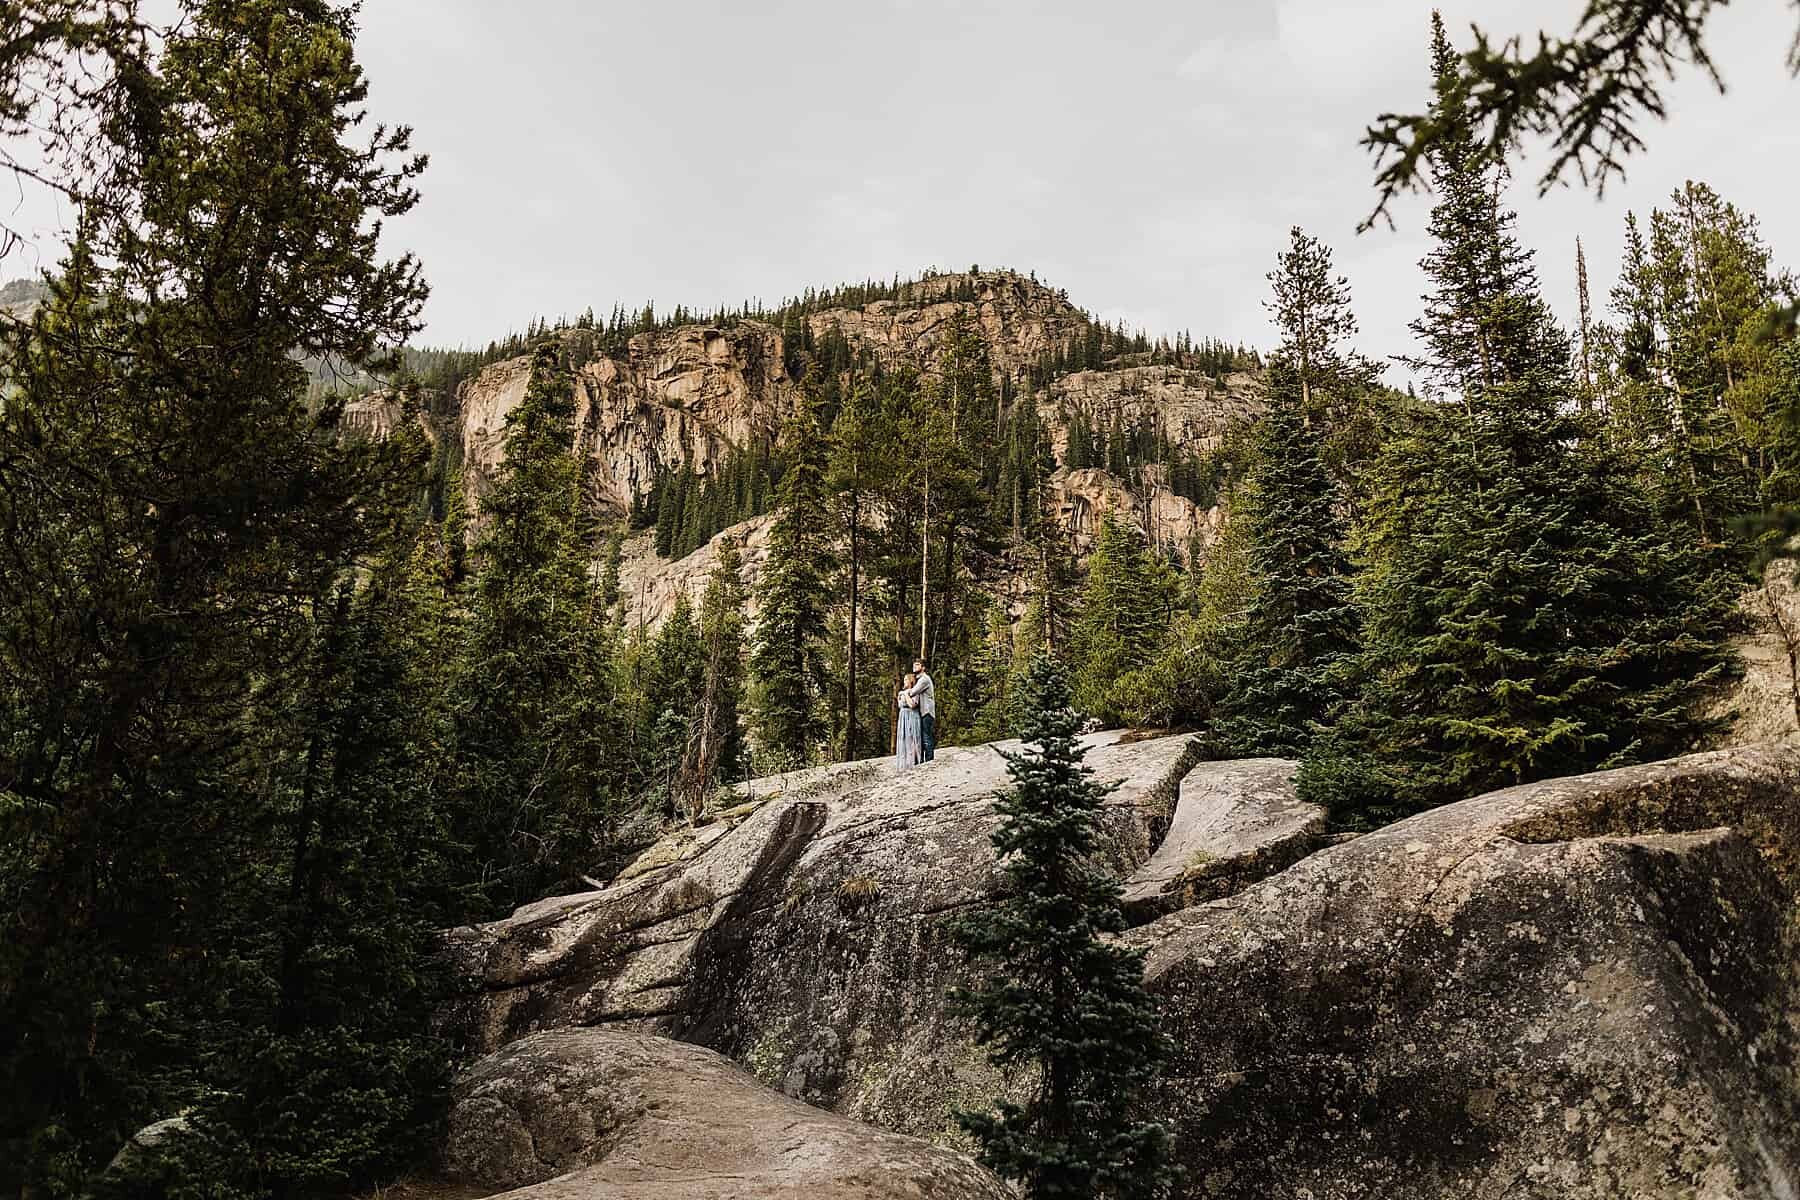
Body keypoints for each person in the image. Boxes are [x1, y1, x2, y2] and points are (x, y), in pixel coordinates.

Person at [904, 658, 935, 762]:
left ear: (923, 667)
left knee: (926, 737)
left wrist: (904, 692)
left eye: (917, 665)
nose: (914, 666)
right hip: (923, 712)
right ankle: (923, 760)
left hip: (927, 711)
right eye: (914, 665)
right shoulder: (920, 679)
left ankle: (930, 761)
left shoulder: (924, 679)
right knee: (923, 737)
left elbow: (913, 692)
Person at [895, 672, 924, 769]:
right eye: (904, 680)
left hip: (911, 716)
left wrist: (906, 694)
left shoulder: (914, 692)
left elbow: (912, 705)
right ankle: (904, 763)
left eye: (906, 679)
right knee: (903, 738)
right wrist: (902, 694)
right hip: (903, 716)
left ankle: (914, 761)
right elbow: (900, 705)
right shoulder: (902, 692)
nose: (905, 681)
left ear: (911, 681)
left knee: (912, 737)